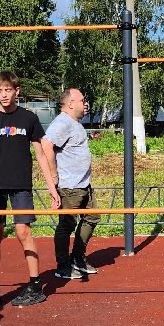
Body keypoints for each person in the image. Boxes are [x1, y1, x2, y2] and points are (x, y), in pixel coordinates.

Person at [0, 71, 59, 309]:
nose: (4, 95)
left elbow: (41, 155)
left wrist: (51, 186)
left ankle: (35, 286)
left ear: (16, 91)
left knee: (24, 232)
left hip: (21, 185)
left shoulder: (28, 118)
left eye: (8, 90)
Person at [43, 87, 101, 281]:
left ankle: (77, 257)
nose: (85, 104)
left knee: (92, 217)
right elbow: (46, 144)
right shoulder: (62, 122)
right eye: (82, 100)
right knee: (66, 224)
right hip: (70, 186)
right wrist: (53, 176)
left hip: (84, 184)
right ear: (70, 104)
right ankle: (63, 265)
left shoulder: (75, 123)